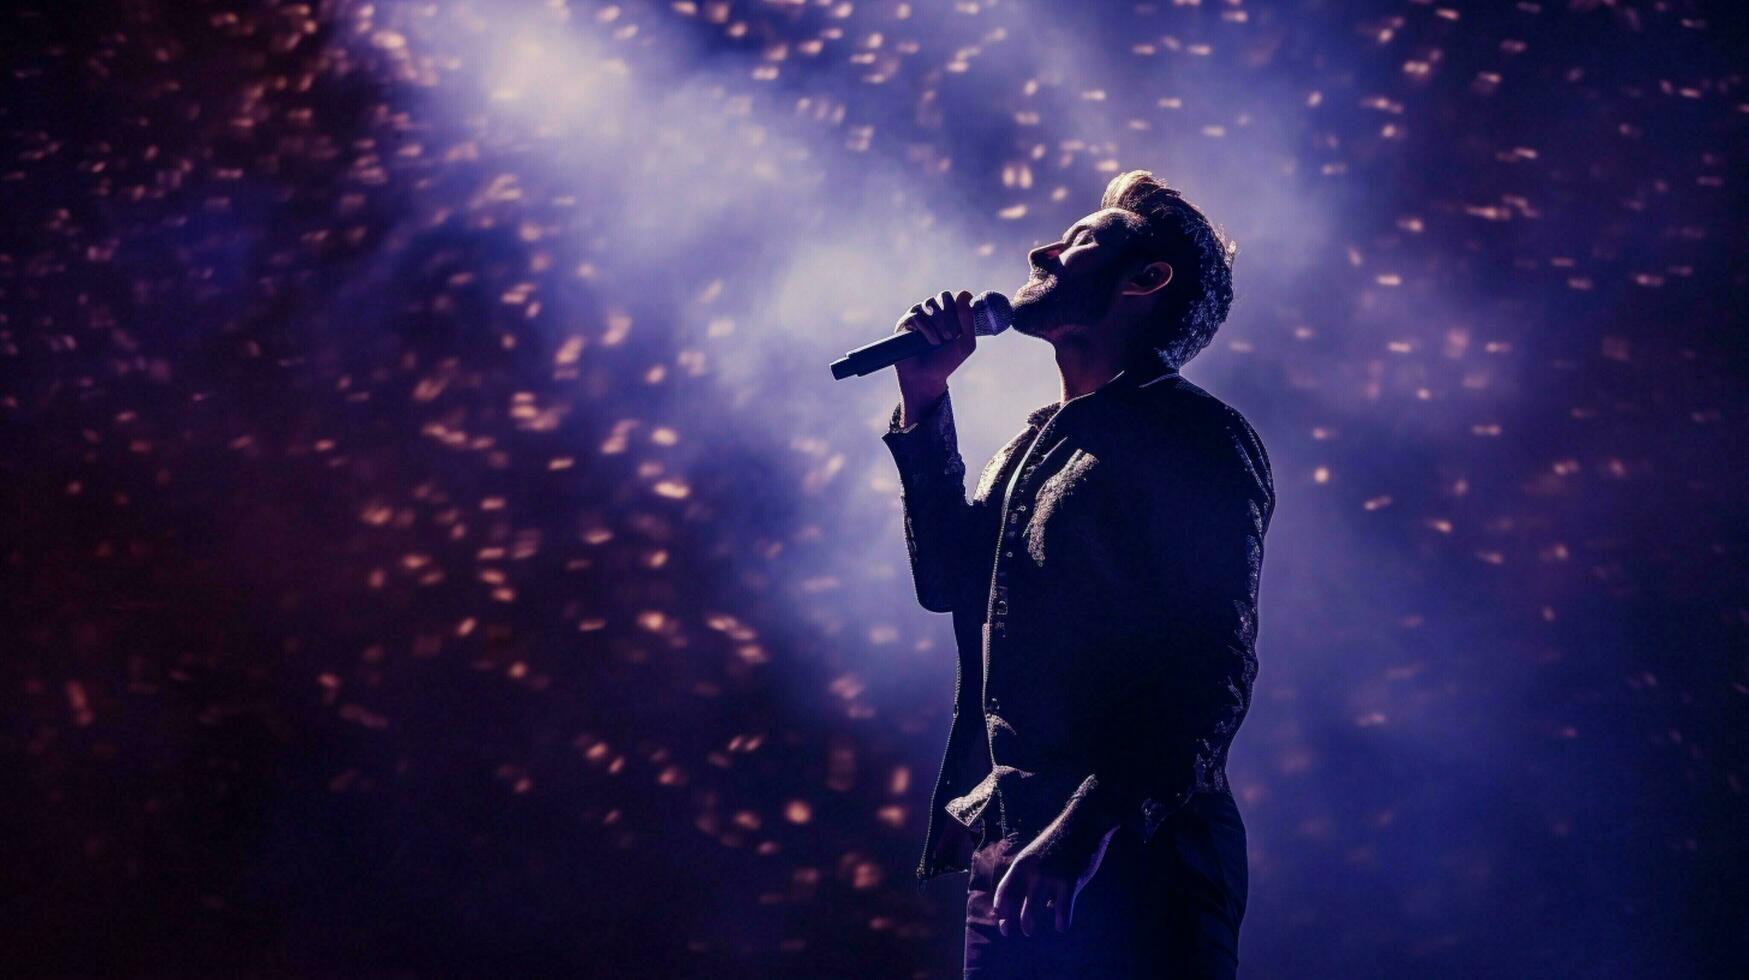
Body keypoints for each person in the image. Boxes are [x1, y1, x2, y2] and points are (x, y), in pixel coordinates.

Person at [880, 170, 1274, 978]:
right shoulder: (1030, 449)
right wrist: (922, 400)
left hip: (1133, 852)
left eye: (1081, 240)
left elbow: (1212, 670)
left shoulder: (1195, 437)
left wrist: (1084, 829)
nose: (1041, 248)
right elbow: (946, 581)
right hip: (1013, 851)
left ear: (1145, 280)